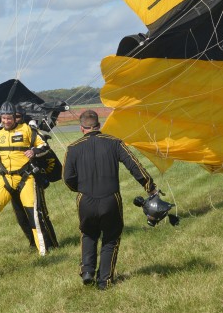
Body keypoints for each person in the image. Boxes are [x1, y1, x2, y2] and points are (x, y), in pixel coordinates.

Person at [63, 110, 158, 290]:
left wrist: (80, 189)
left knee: (88, 233)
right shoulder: (114, 143)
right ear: (99, 126)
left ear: (81, 128)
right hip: (110, 198)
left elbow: (67, 177)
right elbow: (134, 165)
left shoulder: (73, 148)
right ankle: (104, 281)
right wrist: (150, 187)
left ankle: (87, 271)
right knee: (111, 238)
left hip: (85, 199)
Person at [0, 102, 58, 256]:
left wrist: (34, 151)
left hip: (26, 178)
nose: (6, 121)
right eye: (3, 118)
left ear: (15, 117)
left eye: (9, 118)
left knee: (33, 215)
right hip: (5, 179)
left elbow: (44, 145)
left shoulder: (27, 130)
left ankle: (44, 252)